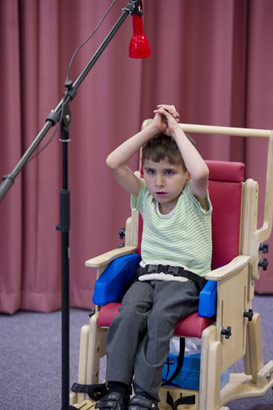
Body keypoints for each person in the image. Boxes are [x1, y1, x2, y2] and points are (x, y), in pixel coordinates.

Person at [95, 104, 212, 410]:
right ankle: (116, 390)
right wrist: (153, 129)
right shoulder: (144, 196)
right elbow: (113, 162)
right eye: (151, 172)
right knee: (128, 316)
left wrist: (175, 130)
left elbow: (201, 171)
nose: (159, 182)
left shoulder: (194, 197)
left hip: (183, 282)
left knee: (160, 320)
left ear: (184, 175)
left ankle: (144, 395)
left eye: (169, 173)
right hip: (146, 277)